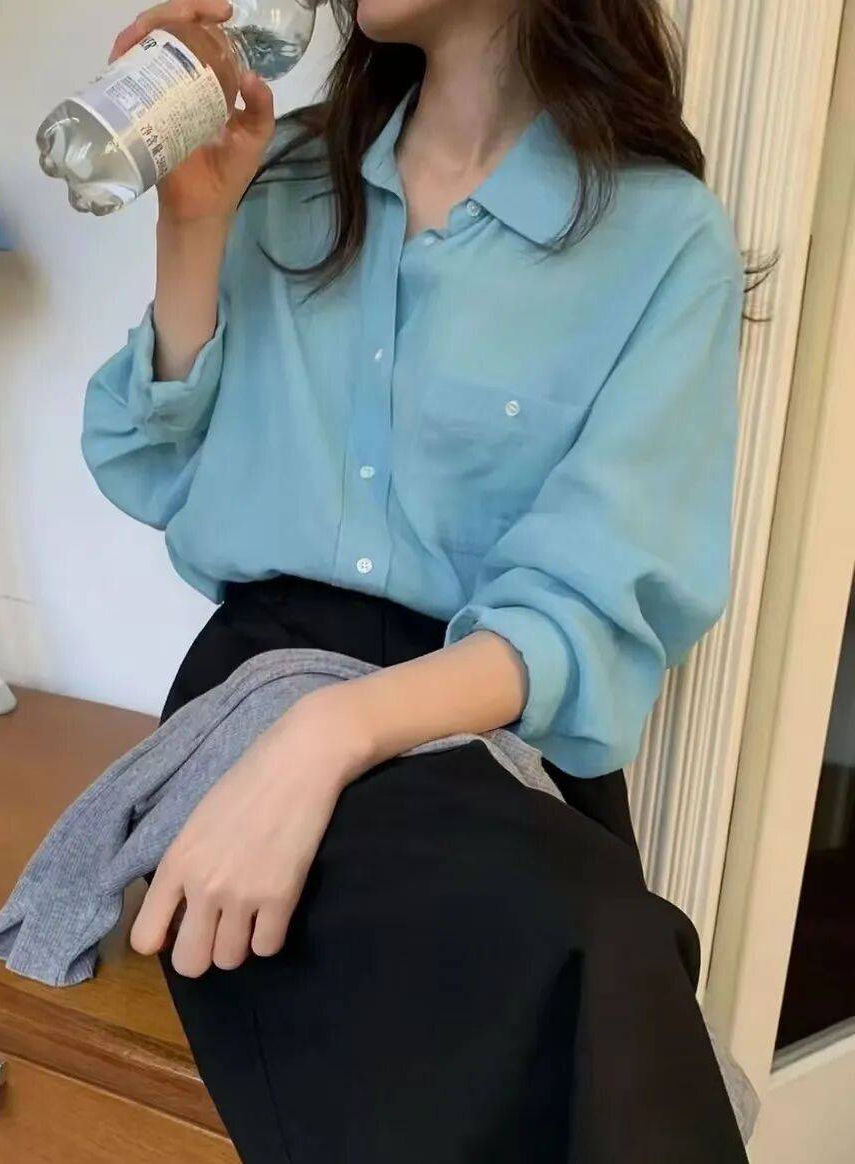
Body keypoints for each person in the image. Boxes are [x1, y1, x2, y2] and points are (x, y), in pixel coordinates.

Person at [81, 0, 751, 1160]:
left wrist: (330, 737)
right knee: (585, 956)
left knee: (604, 950)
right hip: (260, 682)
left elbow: (597, 598)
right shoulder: (283, 174)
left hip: (490, 726)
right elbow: (157, 466)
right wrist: (192, 221)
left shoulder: (661, 236)